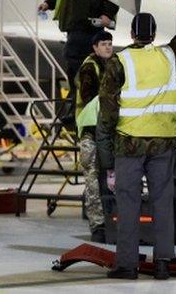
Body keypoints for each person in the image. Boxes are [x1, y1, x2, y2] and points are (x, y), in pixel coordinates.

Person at [97, 0, 176, 280]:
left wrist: (108, 159)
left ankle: (127, 266)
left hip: (129, 144)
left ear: (131, 34)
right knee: (162, 201)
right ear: (153, 35)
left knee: (127, 203)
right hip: (163, 144)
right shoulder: (168, 56)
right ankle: (164, 262)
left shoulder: (119, 62)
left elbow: (108, 110)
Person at [38, 0, 119, 105]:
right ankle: (79, 100)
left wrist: (108, 13)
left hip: (87, 28)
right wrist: (49, 3)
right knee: (78, 66)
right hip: (76, 28)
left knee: (79, 63)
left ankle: (81, 100)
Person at [75, 29, 114, 242]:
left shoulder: (112, 64)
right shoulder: (90, 68)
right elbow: (90, 98)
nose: (107, 46)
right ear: (95, 47)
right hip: (90, 129)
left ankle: (110, 219)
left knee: (106, 176)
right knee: (92, 176)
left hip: (107, 129)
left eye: (109, 43)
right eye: (103, 43)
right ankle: (97, 225)